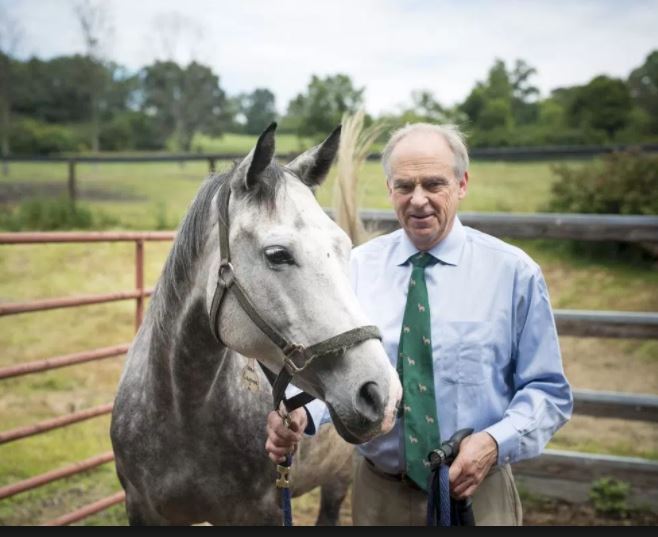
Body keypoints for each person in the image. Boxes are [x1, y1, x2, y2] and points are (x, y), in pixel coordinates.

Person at [265, 123, 573, 526]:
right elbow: (338, 374)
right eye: (404, 186)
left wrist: (495, 444)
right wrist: (303, 415)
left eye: (433, 184)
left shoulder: (513, 274)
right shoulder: (356, 270)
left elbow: (548, 392)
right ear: (390, 189)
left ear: (462, 184)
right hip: (378, 495)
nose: (419, 200)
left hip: (478, 496)